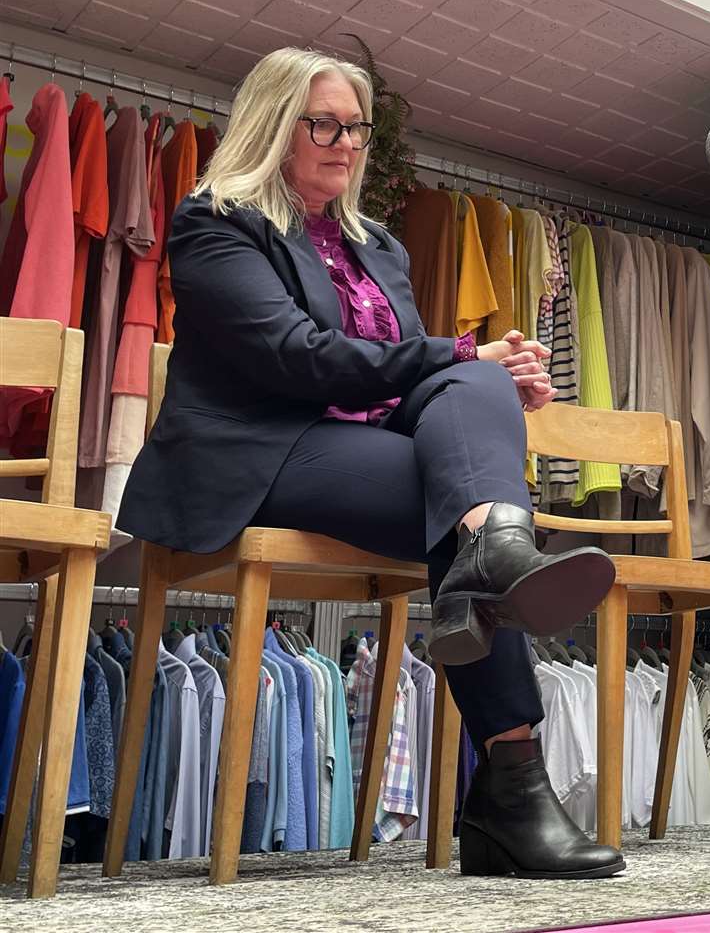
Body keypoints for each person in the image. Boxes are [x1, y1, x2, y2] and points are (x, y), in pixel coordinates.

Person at [119, 47, 623, 878]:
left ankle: (491, 557)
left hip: (361, 446)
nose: (345, 142)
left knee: (472, 422)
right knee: (463, 437)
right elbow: (296, 358)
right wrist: (463, 355)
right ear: (275, 124)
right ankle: (511, 792)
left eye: (356, 128)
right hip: (255, 452)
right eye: (324, 122)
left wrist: (480, 374)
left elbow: (398, 381)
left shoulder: (377, 244)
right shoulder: (215, 222)